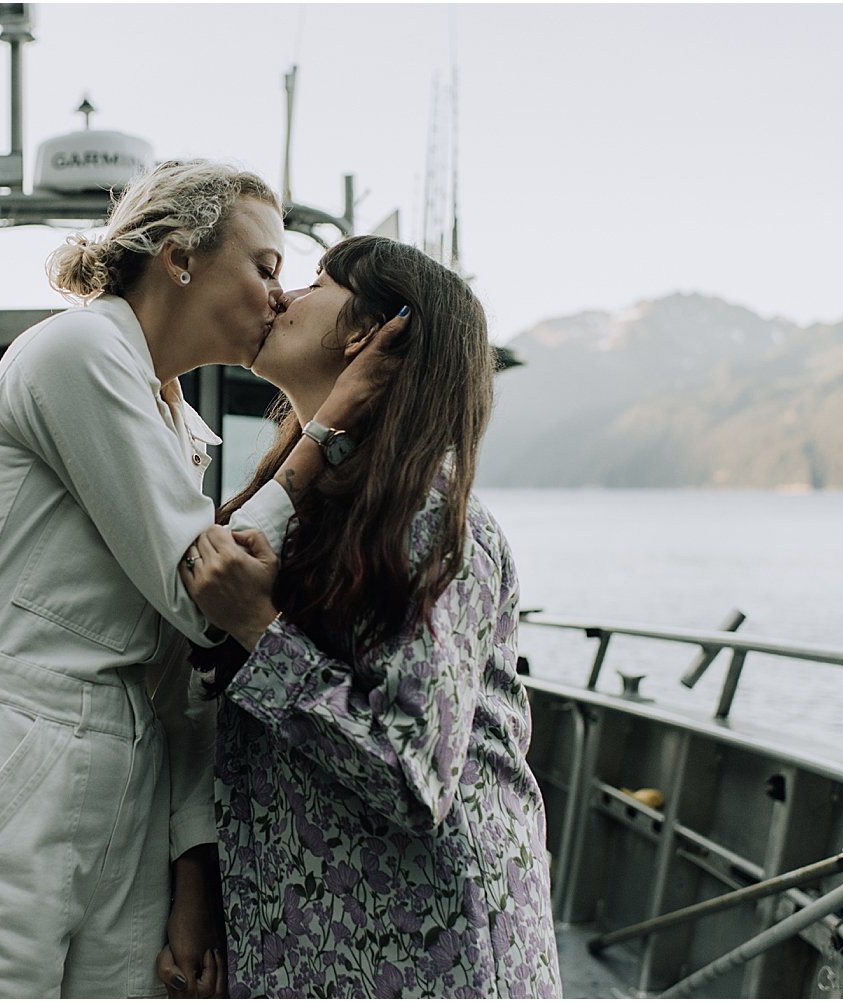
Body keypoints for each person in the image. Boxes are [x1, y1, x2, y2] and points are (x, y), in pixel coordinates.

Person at [0, 162, 402, 998]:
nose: (279, 296)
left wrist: (192, 875)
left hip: (127, 770)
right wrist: (327, 427)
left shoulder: (174, 421)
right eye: (265, 266)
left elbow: (184, 673)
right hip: (12, 741)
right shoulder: (77, 350)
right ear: (181, 255)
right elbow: (204, 594)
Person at [173, 235, 562, 998]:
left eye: (317, 279)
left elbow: (412, 770)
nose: (282, 294)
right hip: (321, 943)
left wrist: (259, 630)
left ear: (367, 329)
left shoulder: (428, 515)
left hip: (424, 951)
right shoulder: (311, 502)